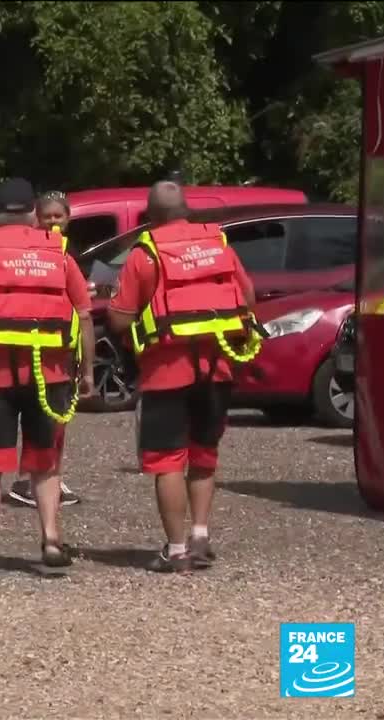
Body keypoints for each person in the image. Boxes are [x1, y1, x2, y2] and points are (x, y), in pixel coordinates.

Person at [106, 181, 260, 573]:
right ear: (187, 209)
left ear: (150, 217)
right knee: (204, 454)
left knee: (168, 461)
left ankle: (175, 551)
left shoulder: (145, 254)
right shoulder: (217, 243)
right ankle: (201, 536)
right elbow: (249, 296)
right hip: (217, 367)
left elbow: (120, 317)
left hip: (165, 372)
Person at [0, 178, 95, 578]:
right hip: (50, 374)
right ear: (33, 213)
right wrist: (87, 370)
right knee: (45, 465)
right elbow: (83, 313)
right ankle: (50, 541)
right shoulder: (59, 252)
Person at [7, 190, 83, 508]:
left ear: (68, 218)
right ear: (35, 218)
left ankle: (52, 476)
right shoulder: (31, 254)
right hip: (41, 348)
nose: (53, 221)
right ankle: (30, 479)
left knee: (58, 420)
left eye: (58, 216)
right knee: (43, 418)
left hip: (66, 345)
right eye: (47, 216)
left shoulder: (67, 252)